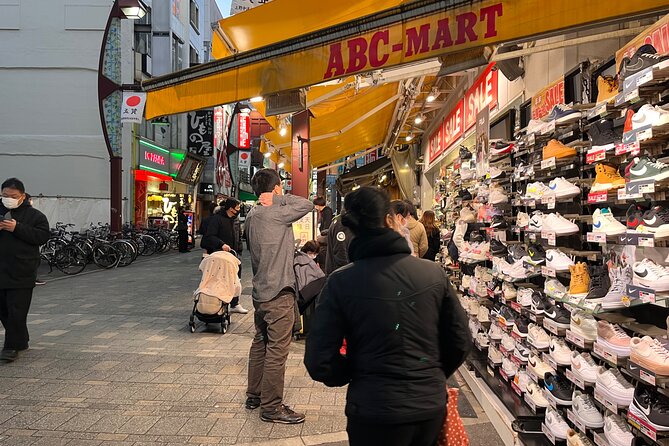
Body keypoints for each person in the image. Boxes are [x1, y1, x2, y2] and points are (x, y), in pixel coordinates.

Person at [304, 187, 471, 446]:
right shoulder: (433, 273)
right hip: (428, 406)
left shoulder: (341, 281)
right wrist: (431, 372)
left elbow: (318, 360)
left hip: (372, 408)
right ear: (390, 219)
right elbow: (460, 339)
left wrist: (354, 371)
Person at [244, 168, 313, 424]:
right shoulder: (277, 210)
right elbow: (307, 204)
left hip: (260, 290)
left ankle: (254, 395)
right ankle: (272, 407)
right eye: (280, 187)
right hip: (279, 291)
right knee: (277, 350)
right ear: (275, 188)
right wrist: (279, 200)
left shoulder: (252, 215)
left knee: (260, 342)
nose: (282, 190)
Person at [0, 178, 50, 363]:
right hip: (1, 270)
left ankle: (11, 347)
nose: (8, 199)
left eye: (13, 196)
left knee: (16, 311)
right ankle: (21, 340)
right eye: (5, 195)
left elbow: (43, 236)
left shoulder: (35, 215)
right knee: (4, 310)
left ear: (22, 196)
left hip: (22, 271)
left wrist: (17, 228)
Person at [203, 198, 249, 314]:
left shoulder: (236, 220)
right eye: (237, 208)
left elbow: (238, 237)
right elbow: (209, 237)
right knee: (220, 280)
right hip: (219, 256)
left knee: (236, 280)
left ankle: (235, 303)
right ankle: (218, 303)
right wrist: (221, 244)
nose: (238, 210)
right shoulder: (217, 219)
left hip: (234, 256)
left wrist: (239, 250)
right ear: (230, 208)